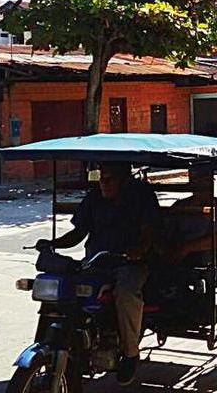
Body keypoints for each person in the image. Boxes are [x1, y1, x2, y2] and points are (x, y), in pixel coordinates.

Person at [34, 162, 157, 386]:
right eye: (101, 178)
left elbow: (149, 231)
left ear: (124, 179)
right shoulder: (94, 197)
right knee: (63, 288)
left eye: (109, 179)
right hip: (95, 262)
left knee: (126, 293)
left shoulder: (142, 195)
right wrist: (52, 244)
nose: (103, 183)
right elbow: (78, 233)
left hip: (129, 264)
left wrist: (139, 250)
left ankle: (130, 354)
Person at [161, 167, 217, 268]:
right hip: (178, 254)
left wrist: (187, 248)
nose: (203, 188)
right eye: (199, 183)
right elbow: (165, 228)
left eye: (206, 183)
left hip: (208, 259)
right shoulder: (181, 205)